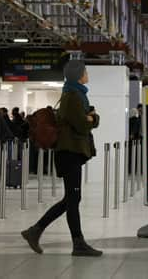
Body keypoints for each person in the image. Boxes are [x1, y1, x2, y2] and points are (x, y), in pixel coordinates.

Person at [22, 60, 102, 257]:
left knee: (72, 198)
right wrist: (93, 118)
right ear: (78, 74)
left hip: (71, 152)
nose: (87, 74)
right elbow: (82, 125)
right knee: (73, 198)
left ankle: (36, 231)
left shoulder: (76, 94)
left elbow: (82, 121)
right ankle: (77, 243)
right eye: (85, 71)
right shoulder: (73, 96)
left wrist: (90, 118)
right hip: (69, 153)